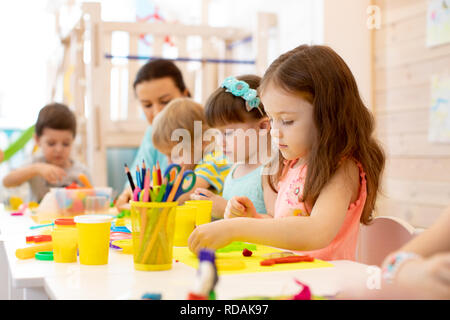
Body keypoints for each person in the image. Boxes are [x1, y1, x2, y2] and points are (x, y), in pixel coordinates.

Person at [188, 44, 385, 261]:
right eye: (272, 119)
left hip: (327, 286)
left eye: (287, 121)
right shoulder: (292, 165)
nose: (274, 130)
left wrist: (238, 228)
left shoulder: (343, 169)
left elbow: (316, 232)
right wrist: (254, 219)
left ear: (327, 116)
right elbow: (283, 227)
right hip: (290, 276)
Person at [190, 74, 276, 219]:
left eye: (227, 133)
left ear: (263, 127)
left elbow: (276, 224)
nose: (220, 141)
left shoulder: (270, 172)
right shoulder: (234, 168)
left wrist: (225, 209)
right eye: (217, 133)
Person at [115, 59, 191, 208]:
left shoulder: (203, 134)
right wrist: (129, 193)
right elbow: (136, 182)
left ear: (185, 95)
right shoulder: (151, 133)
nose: (157, 112)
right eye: (147, 105)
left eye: (165, 101)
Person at [2, 103, 91, 202]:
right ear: (37, 140)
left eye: (65, 144)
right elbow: (7, 182)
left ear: (73, 141)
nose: (59, 149)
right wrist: (35, 169)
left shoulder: (81, 172)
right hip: (37, 217)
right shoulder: (35, 163)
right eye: (51, 143)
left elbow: (92, 199)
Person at [152, 97, 231, 204]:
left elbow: (183, 194)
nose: (170, 162)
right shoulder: (195, 165)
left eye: (177, 153)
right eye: (167, 155)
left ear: (204, 141)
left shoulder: (214, 161)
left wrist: (156, 190)